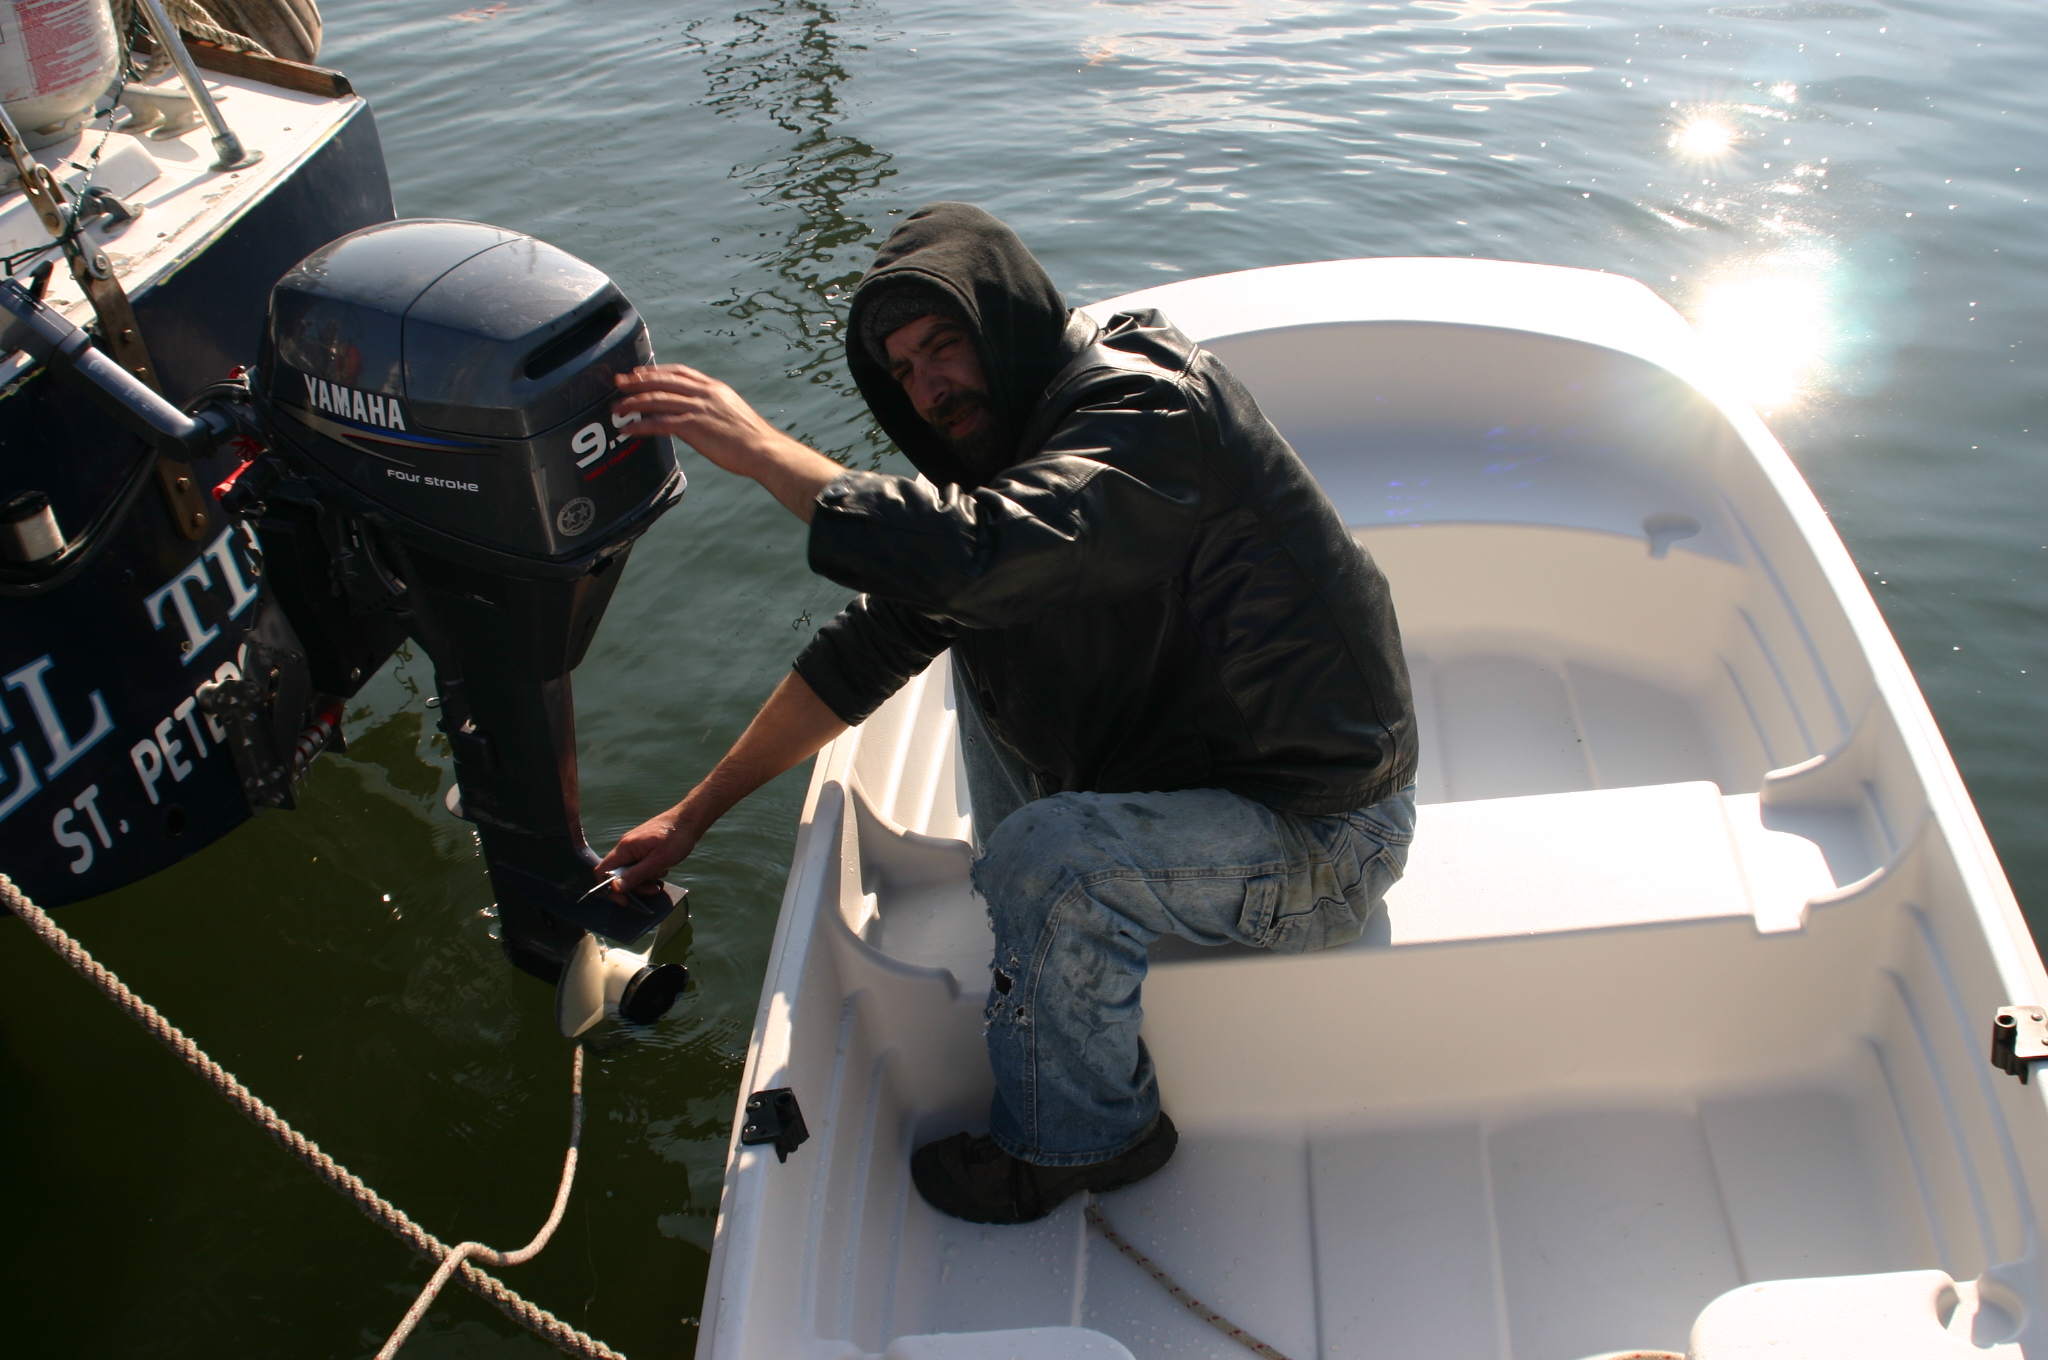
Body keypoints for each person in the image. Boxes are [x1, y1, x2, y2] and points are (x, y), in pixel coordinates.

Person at [599, 202, 1417, 1225]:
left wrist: (767, 452)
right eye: (903, 370)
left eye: (945, 345)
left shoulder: (1147, 412)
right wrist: (692, 816)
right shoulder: (1015, 457)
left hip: (1321, 834)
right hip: (1201, 769)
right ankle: (1041, 908)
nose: (928, 386)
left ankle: (1089, 1136)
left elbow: (982, 553)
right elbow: (869, 646)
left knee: (1048, 850)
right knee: (962, 622)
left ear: (1010, 320)